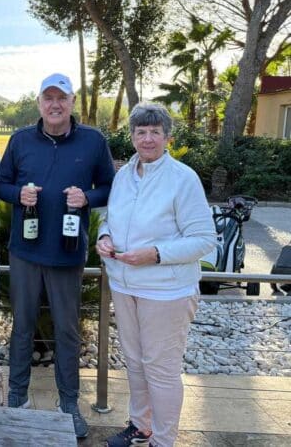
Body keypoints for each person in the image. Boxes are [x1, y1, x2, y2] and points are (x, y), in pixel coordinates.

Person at [0, 73, 115, 438]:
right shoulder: (20, 141)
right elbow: (1, 183)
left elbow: (110, 187)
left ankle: (68, 405)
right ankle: (17, 397)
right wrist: (18, 195)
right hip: (25, 253)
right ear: (39, 103)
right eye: (48, 98)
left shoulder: (93, 141)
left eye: (61, 98)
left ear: (72, 101)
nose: (55, 105)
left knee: (66, 331)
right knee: (22, 328)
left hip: (68, 255)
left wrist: (88, 198)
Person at [97, 103, 216, 447]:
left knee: (160, 369)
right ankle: (140, 426)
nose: (147, 138)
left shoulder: (183, 178)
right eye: (140, 131)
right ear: (132, 135)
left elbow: (204, 239)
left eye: (154, 132)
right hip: (124, 284)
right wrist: (105, 237)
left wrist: (156, 254)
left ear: (167, 137)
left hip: (167, 292)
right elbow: (111, 218)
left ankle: (162, 440)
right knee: (134, 362)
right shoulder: (124, 174)